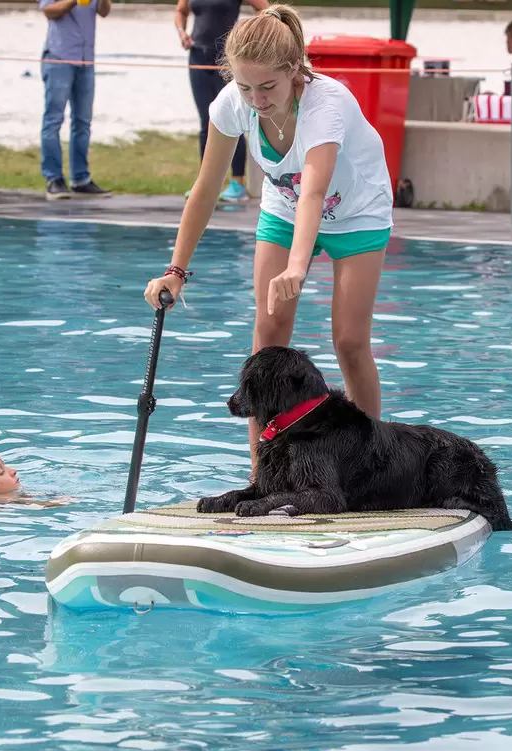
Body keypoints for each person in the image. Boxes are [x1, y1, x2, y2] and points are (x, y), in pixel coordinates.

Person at [144, 4, 392, 475]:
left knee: (349, 340)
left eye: (268, 87)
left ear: (295, 70)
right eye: (244, 86)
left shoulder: (328, 103)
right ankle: (263, 471)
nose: (256, 100)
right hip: (283, 207)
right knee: (268, 337)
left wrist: (298, 268)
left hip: (356, 212)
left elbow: (315, 192)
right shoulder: (232, 103)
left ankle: (370, 466)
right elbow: (206, 187)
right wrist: (176, 271)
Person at [175, 0, 268, 202]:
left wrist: (249, 37)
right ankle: (205, 185)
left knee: (233, 119)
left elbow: (264, 8)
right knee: (206, 121)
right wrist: (182, 33)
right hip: (198, 56)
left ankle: (237, 182)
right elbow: (181, 11)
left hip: (226, 57)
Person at [39, 0, 112, 201]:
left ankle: (81, 179)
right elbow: (49, 11)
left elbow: (104, 12)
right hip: (59, 58)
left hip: (85, 60)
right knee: (53, 120)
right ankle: (53, 178)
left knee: (83, 121)